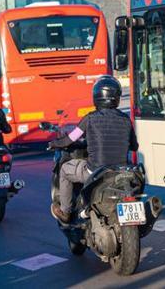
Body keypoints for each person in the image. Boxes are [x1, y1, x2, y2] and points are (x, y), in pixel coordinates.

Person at [48, 75, 137, 223]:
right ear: (117, 97)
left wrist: (54, 143)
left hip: (94, 171)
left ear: (96, 96)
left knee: (64, 169)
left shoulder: (90, 118)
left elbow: (70, 139)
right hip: (121, 171)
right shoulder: (126, 119)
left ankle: (65, 211)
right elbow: (134, 146)